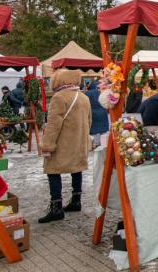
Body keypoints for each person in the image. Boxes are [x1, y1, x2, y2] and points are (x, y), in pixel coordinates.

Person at [38, 70, 92, 223]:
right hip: (79, 142)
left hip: (62, 142)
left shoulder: (59, 97)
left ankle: (56, 207)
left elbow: (54, 125)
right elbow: (89, 121)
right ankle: (76, 200)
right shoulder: (83, 97)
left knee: (52, 170)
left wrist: (47, 144)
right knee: (77, 168)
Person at [85, 80, 109, 148]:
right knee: (103, 132)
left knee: (94, 131)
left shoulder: (88, 93)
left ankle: (95, 145)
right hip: (103, 112)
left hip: (93, 114)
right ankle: (104, 146)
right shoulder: (103, 91)